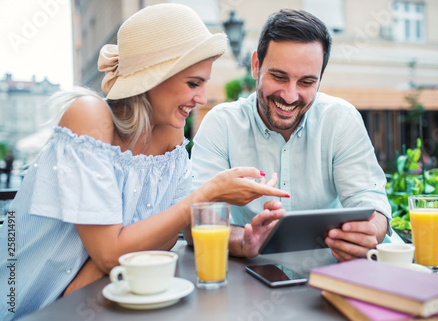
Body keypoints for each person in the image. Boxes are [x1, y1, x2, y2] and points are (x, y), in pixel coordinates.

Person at [0, 4, 288, 320]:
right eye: (193, 83)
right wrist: (208, 193)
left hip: (94, 300)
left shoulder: (172, 137)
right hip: (25, 295)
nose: (203, 98)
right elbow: (113, 254)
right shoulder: (89, 115)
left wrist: (242, 240)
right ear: (152, 78)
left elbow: (166, 237)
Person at [189, 9, 391, 261]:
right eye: (278, 76)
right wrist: (243, 240)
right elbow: (195, 220)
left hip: (330, 276)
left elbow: (371, 200)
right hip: (250, 281)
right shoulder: (221, 124)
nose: (290, 95)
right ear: (255, 65)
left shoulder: (341, 119)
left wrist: (370, 231)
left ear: (320, 79)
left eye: (306, 82)